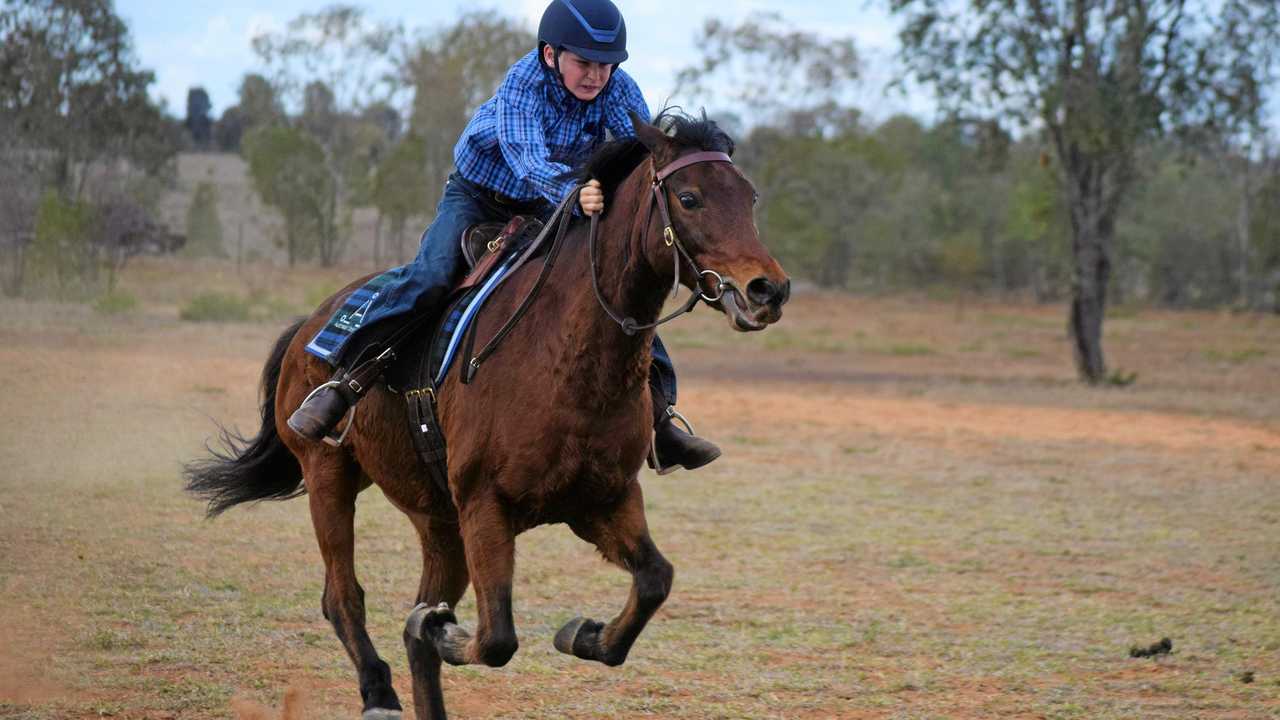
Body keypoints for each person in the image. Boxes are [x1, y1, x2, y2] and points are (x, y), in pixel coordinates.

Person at [287, 0, 720, 474]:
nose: (597, 75)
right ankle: (344, 380)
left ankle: (661, 420)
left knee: (613, 287)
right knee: (431, 276)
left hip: (558, 201)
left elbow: (641, 157)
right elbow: (527, 158)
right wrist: (575, 194)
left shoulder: (620, 90)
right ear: (551, 55)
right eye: (584, 62)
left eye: (605, 64)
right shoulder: (523, 85)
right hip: (480, 197)